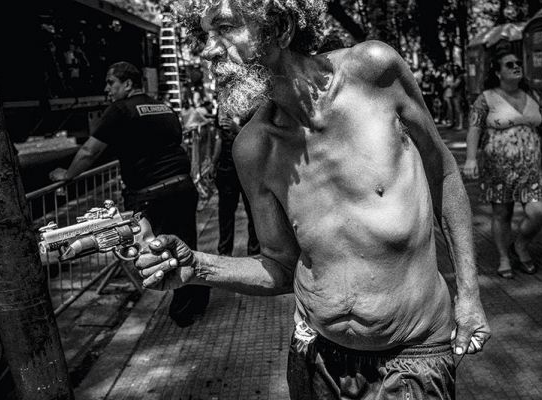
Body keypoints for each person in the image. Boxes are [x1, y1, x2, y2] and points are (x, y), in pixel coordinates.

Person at [135, 1, 490, 398]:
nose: (208, 50)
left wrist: (470, 295)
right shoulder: (253, 148)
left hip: (414, 352)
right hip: (316, 360)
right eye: (204, 34)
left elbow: (443, 172)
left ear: (281, 26)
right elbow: (280, 265)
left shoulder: (375, 71)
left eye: (224, 28)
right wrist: (196, 267)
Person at [49, 61, 210, 327]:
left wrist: (67, 176)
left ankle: (184, 310)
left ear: (127, 84)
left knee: (164, 251)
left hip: (153, 194)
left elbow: (90, 151)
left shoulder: (120, 110)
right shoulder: (163, 106)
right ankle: (198, 297)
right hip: (183, 187)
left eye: (111, 83)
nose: (107, 89)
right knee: (187, 244)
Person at [463, 51, 542, 279]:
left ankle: (520, 244)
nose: (516, 66)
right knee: (502, 214)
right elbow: (475, 129)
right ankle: (504, 257)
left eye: (518, 63)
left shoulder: (534, 96)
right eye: (510, 65)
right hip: (499, 169)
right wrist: (470, 159)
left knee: (539, 211)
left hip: (531, 169)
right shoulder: (486, 98)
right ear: (498, 72)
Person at [210, 108, 260, 256]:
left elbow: (258, 136)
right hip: (226, 169)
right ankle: (224, 253)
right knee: (225, 214)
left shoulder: (253, 107)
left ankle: (255, 253)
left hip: (248, 168)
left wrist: (237, 129)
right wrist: (213, 162)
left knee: (254, 214)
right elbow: (219, 137)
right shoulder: (223, 107)